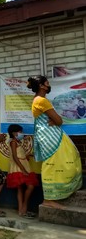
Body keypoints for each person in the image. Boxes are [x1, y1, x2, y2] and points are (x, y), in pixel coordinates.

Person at [27, 75, 83, 209]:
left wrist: (55, 120)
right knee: (53, 164)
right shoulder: (42, 101)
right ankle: (48, 199)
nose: (48, 85)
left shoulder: (37, 100)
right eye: (46, 83)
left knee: (53, 163)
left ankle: (56, 194)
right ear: (41, 86)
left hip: (47, 135)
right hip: (51, 137)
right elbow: (59, 121)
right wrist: (55, 120)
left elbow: (56, 120)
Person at [7, 124, 39, 218]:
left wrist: (27, 156)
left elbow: (19, 154)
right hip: (19, 167)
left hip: (23, 164)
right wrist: (23, 169)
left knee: (22, 187)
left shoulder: (17, 142)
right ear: (14, 133)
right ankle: (23, 207)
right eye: (20, 132)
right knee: (28, 186)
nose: (22, 134)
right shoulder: (13, 142)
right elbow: (15, 157)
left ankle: (22, 209)